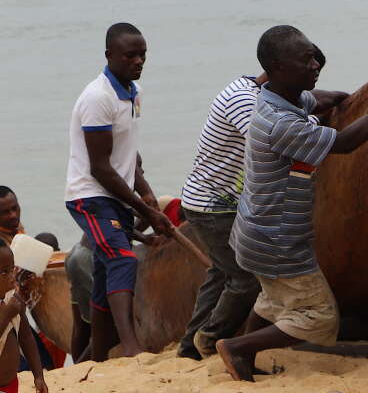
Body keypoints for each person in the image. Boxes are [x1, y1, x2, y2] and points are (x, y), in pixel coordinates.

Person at [217, 25, 368, 382]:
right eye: (305, 59)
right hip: (277, 239)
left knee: (274, 297)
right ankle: (238, 348)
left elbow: (323, 99)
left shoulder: (280, 96)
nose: (315, 65)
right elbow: (342, 144)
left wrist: (355, 98)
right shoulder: (279, 123)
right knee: (320, 317)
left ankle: (243, 354)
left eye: (315, 56)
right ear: (278, 68)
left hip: (254, 230)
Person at [178, 68, 347, 360]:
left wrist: (344, 99)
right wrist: (316, 121)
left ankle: (192, 345)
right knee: (244, 278)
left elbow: (314, 99)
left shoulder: (260, 90)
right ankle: (211, 340)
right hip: (213, 206)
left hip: (222, 200)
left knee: (221, 272)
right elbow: (284, 136)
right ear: (277, 73)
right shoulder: (246, 102)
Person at [63, 22, 175, 361]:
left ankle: (95, 358)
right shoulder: (99, 98)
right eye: (130, 55)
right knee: (122, 258)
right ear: (109, 55)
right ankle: (130, 347)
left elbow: (129, 155)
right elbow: (100, 167)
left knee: (102, 279)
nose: (138, 61)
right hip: (89, 196)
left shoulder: (133, 93)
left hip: (114, 195)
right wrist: (147, 212)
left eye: (143, 55)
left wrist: (148, 194)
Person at [1, 240, 49, 393]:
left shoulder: (13, 299)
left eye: (12, 268)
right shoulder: (11, 306)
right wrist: (8, 313)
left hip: (11, 384)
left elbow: (26, 337)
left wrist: (38, 375)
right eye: (4, 272)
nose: (11, 276)